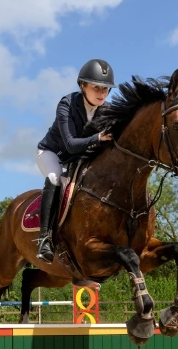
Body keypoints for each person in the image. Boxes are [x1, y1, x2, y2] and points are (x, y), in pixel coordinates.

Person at [34, 58, 116, 262]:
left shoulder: (106, 111)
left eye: (105, 89)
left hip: (79, 159)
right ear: (82, 86)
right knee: (55, 178)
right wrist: (97, 138)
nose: (102, 94)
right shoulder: (67, 105)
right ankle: (44, 238)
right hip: (53, 153)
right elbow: (70, 144)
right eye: (96, 88)